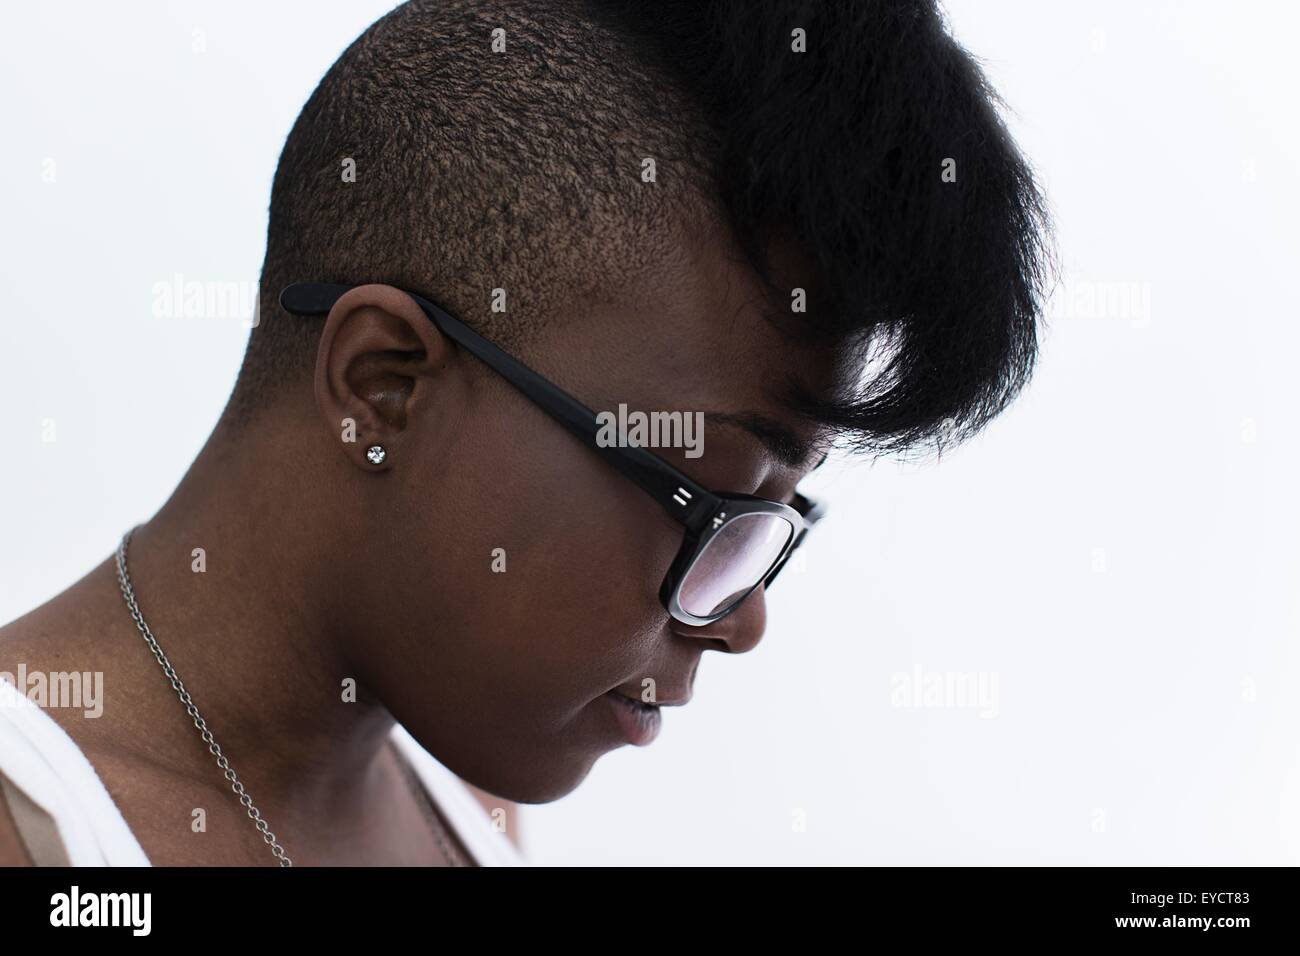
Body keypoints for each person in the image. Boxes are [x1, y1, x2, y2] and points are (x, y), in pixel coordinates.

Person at [0, 0, 1052, 866]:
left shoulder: (467, 816)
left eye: (775, 519)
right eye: (715, 499)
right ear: (384, 385)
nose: (740, 620)